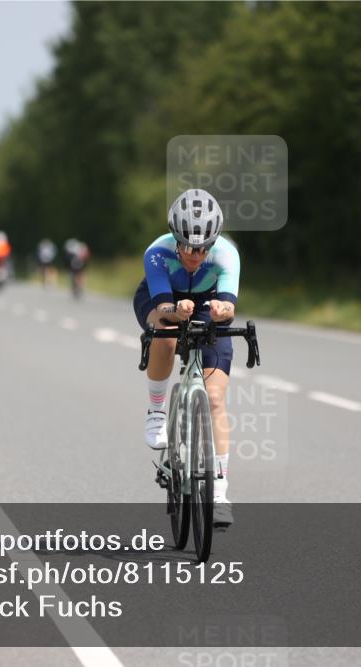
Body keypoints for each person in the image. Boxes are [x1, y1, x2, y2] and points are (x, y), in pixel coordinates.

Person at [133, 189, 239, 528]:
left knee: (216, 398)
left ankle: (219, 489)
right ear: (176, 238)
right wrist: (174, 311)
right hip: (162, 300)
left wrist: (223, 310)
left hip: (206, 304)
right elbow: (163, 306)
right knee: (164, 333)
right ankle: (156, 411)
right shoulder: (158, 253)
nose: (196, 255)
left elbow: (228, 306)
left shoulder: (226, 254)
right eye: (189, 247)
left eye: (204, 248)